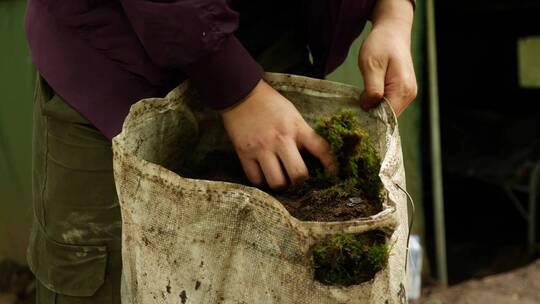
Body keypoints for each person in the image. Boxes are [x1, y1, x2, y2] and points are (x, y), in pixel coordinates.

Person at [24, 0, 417, 302]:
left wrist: (394, 14)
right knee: (114, 278)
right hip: (118, 64)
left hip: (270, 53)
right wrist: (236, 90)